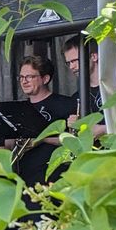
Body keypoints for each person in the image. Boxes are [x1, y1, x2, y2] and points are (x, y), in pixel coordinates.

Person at [12, 55, 73, 188]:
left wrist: (42, 139)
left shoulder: (67, 104)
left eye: (29, 77)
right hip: (25, 176)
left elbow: (75, 141)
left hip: (57, 177)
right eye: (21, 77)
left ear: (45, 78)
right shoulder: (19, 109)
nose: (24, 81)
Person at [64, 34, 107, 139]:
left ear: (94, 57)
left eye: (75, 60)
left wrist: (103, 129)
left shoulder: (115, 87)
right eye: (68, 63)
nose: (71, 67)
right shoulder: (77, 97)